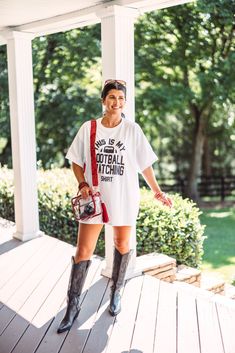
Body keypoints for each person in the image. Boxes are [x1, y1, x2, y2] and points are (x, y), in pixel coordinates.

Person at [57, 79, 172, 334]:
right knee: (84, 249)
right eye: (111, 97)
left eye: (121, 98)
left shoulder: (132, 130)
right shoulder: (89, 128)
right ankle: (72, 306)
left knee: (122, 245)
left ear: (125, 102)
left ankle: (116, 292)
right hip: (94, 200)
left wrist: (157, 192)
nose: (116, 102)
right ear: (103, 100)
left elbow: (145, 165)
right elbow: (76, 161)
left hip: (123, 197)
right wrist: (82, 183)